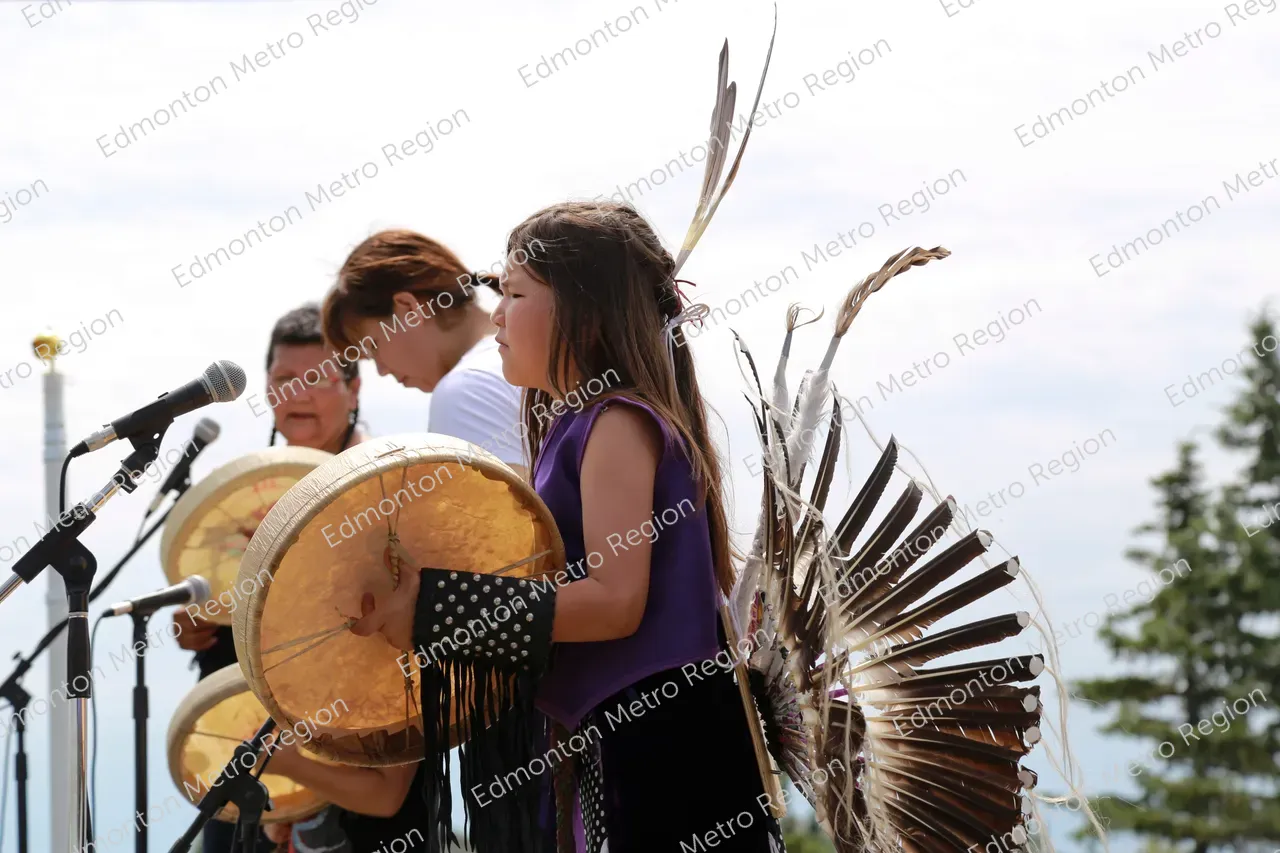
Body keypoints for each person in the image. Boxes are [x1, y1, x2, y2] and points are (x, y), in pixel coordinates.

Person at [350, 201, 783, 852]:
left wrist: (442, 607)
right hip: (620, 739)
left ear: (585, 308)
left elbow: (614, 600)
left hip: (665, 749)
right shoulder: (575, 425)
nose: (494, 313)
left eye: (516, 292)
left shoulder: (616, 422)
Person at [259, 228, 524, 852]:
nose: (379, 369)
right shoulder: (511, 371)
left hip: (523, 694)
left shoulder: (466, 389)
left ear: (407, 310)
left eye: (370, 348)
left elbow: (507, 566)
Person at [171, 303, 369, 853]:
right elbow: (208, 606)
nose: (298, 393)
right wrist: (196, 624)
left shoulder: (387, 486)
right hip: (241, 752)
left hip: (346, 759)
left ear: (354, 390)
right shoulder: (235, 497)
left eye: (316, 379)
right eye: (284, 379)